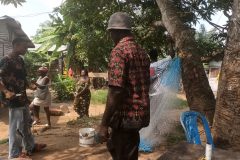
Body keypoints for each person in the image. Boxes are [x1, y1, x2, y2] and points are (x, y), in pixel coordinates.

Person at [97, 12, 150, 160]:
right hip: (139, 115)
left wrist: (103, 124)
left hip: (125, 117)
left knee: (124, 154)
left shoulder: (119, 52)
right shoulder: (142, 52)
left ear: (114, 31)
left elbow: (116, 91)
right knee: (118, 147)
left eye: (110, 32)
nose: (110, 36)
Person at [0, 37, 46, 159]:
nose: (26, 49)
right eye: (24, 47)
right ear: (16, 45)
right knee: (16, 127)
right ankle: (15, 154)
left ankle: (30, 146)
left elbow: (22, 77)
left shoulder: (20, 60)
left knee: (26, 124)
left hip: (23, 98)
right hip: (13, 99)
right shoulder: (6, 60)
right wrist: (6, 91)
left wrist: (29, 85)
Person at [139, 35, 181, 152]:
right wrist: (170, 43)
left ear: (149, 56)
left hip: (151, 93)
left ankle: (151, 130)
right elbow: (172, 55)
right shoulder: (161, 63)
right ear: (157, 55)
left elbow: (146, 80)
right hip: (159, 92)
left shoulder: (149, 67)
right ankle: (154, 130)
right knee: (155, 112)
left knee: (151, 113)